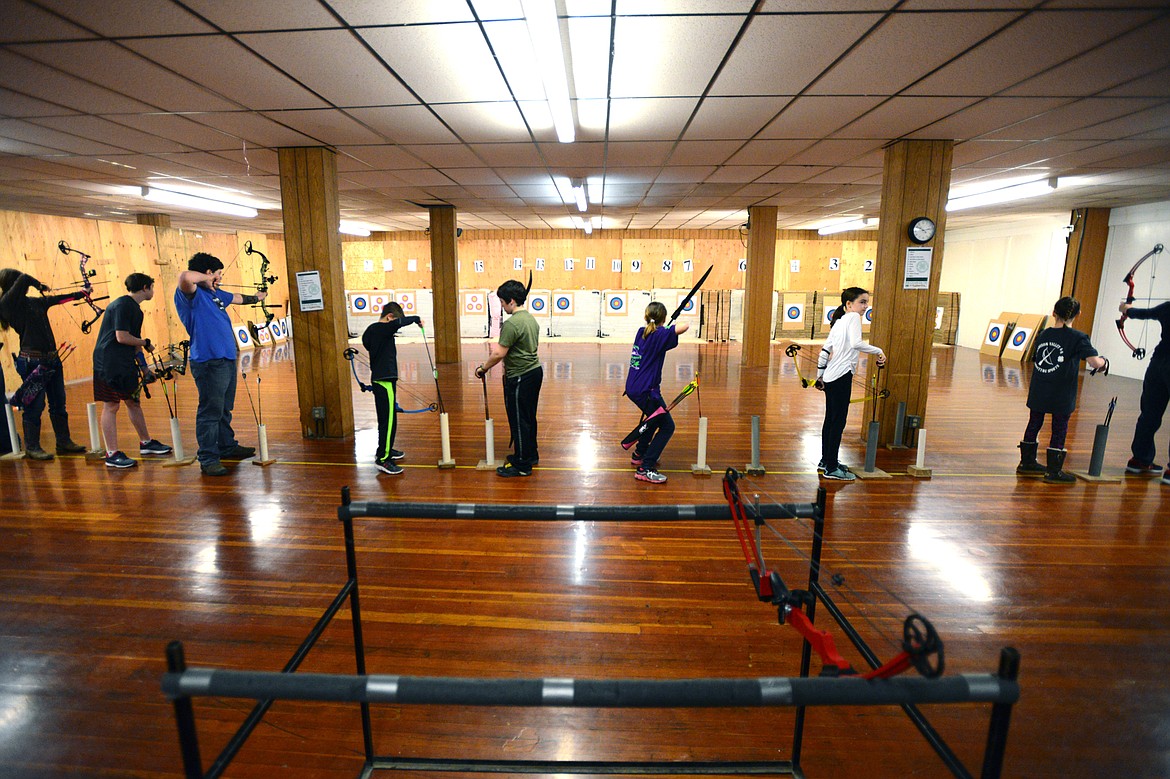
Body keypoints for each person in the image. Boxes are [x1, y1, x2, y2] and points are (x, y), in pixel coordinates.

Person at [174, 252, 263, 476]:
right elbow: (185, 276)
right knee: (210, 411)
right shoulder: (191, 294)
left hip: (226, 359)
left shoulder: (214, 294)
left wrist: (257, 297)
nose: (220, 278)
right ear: (206, 273)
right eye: (218, 274)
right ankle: (208, 458)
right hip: (208, 361)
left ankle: (227, 446)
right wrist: (205, 279)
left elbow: (236, 297)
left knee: (224, 408)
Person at [1016, 296, 1107, 484]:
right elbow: (1094, 362)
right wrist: (1104, 362)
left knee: (1034, 422)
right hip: (1060, 392)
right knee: (1059, 427)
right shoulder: (1078, 338)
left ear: (1053, 313)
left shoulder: (1043, 334)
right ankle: (1053, 471)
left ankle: (1026, 462)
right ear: (1078, 314)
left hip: (1040, 388)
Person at [0, 267, 88, 459]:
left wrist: (81, 294)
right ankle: (32, 447)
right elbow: (24, 278)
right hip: (33, 362)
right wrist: (38, 284)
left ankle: (63, 442)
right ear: (12, 285)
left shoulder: (34, 302)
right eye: (17, 283)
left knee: (58, 402)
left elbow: (58, 299)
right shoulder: (7, 305)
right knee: (35, 405)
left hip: (52, 359)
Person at [92, 273, 173, 468]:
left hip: (123, 362)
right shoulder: (122, 305)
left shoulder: (135, 310)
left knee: (133, 402)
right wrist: (145, 342)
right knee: (111, 405)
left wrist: (145, 369)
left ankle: (146, 442)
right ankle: (111, 454)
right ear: (145, 287)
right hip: (108, 362)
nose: (153, 290)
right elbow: (122, 337)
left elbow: (134, 343)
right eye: (152, 287)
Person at [815, 287, 886, 482]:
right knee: (837, 422)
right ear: (849, 304)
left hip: (830, 377)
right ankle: (830, 467)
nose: (866, 306)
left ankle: (826, 460)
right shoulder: (853, 318)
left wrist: (819, 377)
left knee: (830, 420)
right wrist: (879, 350)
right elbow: (856, 343)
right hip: (841, 377)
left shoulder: (838, 322)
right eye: (862, 302)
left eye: (867, 302)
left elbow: (824, 351)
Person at [475, 279, 541, 477]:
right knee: (528, 416)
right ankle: (529, 454)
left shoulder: (513, 324)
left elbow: (498, 354)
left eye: (503, 303)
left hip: (520, 375)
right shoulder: (530, 318)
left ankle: (522, 464)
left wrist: (482, 368)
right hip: (534, 372)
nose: (502, 307)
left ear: (511, 301)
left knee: (519, 419)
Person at [624, 302, 689, 484]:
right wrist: (667, 328)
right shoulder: (659, 334)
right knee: (667, 426)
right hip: (646, 391)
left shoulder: (641, 332)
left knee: (653, 420)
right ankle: (645, 468)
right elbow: (685, 326)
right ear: (664, 318)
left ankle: (640, 453)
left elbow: (659, 337)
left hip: (634, 387)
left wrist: (664, 329)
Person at [362, 301, 421, 476]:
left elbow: (367, 342)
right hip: (384, 381)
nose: (395, 327)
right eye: (394, 322)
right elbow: (397, 324)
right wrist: (416, 319)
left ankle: (386, 449)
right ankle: (382, 458)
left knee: (388, 419)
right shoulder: (379, 328)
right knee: (388, 421)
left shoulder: (375, 332)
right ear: (389, 317)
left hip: (384, 380)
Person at [1119, 296, 1170, 485]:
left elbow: (1142, 313)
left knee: (1149, 413)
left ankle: (1139, 459)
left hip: (1157, 365)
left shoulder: (1167, 307)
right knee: (1149, 414)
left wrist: (1126, 309)